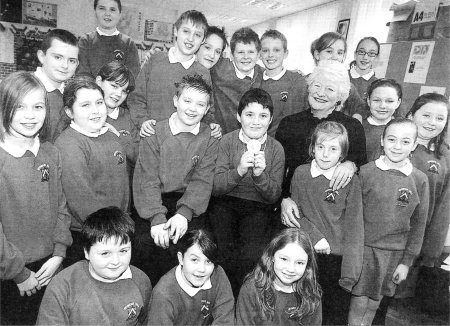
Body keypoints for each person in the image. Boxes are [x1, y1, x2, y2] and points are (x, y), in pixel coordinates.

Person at [0, 71, 72, 325]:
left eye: (38, 107)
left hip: (51, 265)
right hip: (10, 274)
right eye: (19, 107)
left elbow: (62, 206)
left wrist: (59, 254)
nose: (30, 115)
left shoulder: (50, 153)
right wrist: (18, 274)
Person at [133, 74, 219, 283]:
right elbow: (147, 179)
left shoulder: (210, 137)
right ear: (175, 101)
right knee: (145, 245)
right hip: (155, 200)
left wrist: (184, 214)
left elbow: (202, 180)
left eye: (200, 104)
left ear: (207, 110)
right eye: (187, 101)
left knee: (196, 246)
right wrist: (156, 218)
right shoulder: (154, 132)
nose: (192, 108)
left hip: (189, 202)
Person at [348, 118, 429, 326]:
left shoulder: (419, 180)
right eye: (392, 139)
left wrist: (406, 262)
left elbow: (419, 225)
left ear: (414, 145)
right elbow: (353, 216)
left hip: (394, 255)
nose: (397, 146)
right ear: (382, 140)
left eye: (405, 141)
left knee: (375, 304)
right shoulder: (365, 172)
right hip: (364, 251)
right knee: (358, 303)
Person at [209, 88, 284, 295]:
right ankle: (221, 298)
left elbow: (274, 195)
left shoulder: (276, 148)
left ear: (270, 120)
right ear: (238, 116)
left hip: (258, 207)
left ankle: (242, 300)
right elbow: (216, 188)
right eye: (249, 115)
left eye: (263, 116)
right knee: (222, 250)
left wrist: (260, 175)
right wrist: (240, 170)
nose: (255, 122)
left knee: (251, 254)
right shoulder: (227, 141)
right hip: (226, 202)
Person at [276, 60, 367, 231]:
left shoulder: (353, 127)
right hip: (294, 208)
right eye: (317, 86)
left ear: (340, 97)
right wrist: (283, 199)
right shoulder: (289, 123)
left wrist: (351, 164)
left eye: (330, 89)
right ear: (309, 88)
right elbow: (278, 169)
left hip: (331, 214)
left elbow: (363, 165)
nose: (320, 93)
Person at [290, 120, 363, 325]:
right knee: (303, 309)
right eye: (320, 147)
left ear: (342, 154)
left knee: (333, 314)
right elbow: (295, 214)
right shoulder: (301, 173)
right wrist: (315, 237)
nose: (325, 154)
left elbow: (355, 225)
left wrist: (351, 271)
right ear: (312, 148)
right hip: (306, 253)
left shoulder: (350, 179)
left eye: (333, 149)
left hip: (337, 259)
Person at [55, 77, 129, 267]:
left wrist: (124, 227)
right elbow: (82, 200)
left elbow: (123, 190)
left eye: (99, 103)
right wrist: (112, 234)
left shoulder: (112, 137)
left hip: (118, 233)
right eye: (85, 105)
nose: (96, 111)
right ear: (69, 112)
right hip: (89, 237)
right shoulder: (69, 145)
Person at [37, 206, 152, 325]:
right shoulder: (62, 286)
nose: (116, 261)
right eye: (105, 253)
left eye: (123, 251)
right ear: (86, 252)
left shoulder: (141, 280)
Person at [127, 10, 221, 139]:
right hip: (152, 139)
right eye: (186, 31)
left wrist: (212, 124)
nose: (190, 39)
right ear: (176, 31)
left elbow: (208, 111)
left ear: (203, 40)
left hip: (186, 144)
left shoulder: (203, 72)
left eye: (197, 35)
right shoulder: (155, 60)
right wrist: (143, 121)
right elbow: (136, 98)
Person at [147, 229, 234, 325]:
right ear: (181, 258)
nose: (201, 269)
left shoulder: (218, 274)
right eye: (194, 260)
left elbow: (225, 320)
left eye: (208, 261)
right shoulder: (163, 293)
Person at [236, 228, 322, 326]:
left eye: (299, 263)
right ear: (272, 256)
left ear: (307, 265)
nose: (291, 269)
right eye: (284, 259)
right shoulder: (251, 290)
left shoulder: (311, 294)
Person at [210, 27, 264, 135]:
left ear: (259, 55)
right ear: (231, 55)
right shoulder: (219, 68)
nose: (246, 57)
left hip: (251, 139)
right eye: (240, 52)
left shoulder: (263, 76)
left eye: (251, 52)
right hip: (222, 138)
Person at [96, 60, 139, 182]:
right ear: (99, 82)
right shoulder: (85, 115)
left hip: (123, 192)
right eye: (114, 86)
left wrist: (119, 138)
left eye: (124, 91)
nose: (118, 94)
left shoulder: (129, 117)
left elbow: (140, 158)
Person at [309, 32, 367, 122]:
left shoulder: (347, 86)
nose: (335, 57)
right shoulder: (304, 82)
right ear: (317, 55)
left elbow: (360, 108)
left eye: (340, 53)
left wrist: (354, 124)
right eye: (329, 51)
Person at [259, 29, 308, 137]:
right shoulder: (255, 82)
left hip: (289, 145)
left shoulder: (298, 81)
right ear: (260, 54)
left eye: (276, 50)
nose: (270, 55)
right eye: (265, 50)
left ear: (285, 53)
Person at [34, 29, 79, 143]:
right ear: (41, 56)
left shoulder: (72, 95)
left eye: (72, 60)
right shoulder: (21, 88)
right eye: (58, 57)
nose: (65, 65)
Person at [77, 0, 140, 79]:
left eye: (112, 9)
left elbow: (132, 77)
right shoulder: (85, 41)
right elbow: (82, 74)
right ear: (95, 12)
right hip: (90, 90)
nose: (107, 14)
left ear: (120, 14)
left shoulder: (128, 44)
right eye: (102, 8)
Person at [363, 78, 402, 162]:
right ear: (368, 101)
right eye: (377, 100)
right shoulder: (358, 128)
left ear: (398, 103)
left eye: (389, 101)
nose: (382, 106)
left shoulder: (404, 129)